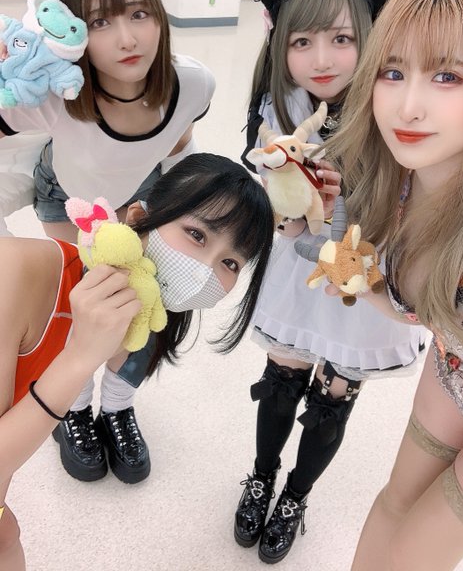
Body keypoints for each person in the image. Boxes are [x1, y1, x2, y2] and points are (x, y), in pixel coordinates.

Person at [0, 0, 216, 484]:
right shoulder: (53, 98)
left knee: (139, 308)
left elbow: (181, 140)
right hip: (65, 199)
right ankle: (72, 408)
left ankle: (118, 405)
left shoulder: (193, 84)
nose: (128, 39)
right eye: (100, 21)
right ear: (72, 28)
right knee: (79, 303)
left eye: (139, 13)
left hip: (138, 198)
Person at [235, 0, 422, 564]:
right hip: (299, 266)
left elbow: (422, 197)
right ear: (280, 43)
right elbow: (271, 198)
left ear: (369, 37)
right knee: (281, 379)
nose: (322, 59)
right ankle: (261, 476)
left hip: (363, 273)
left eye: (341, 39)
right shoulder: (279, 108)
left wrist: (359, 196)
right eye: (303, 41)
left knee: (334, 396)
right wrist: (288, 203)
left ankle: (295, 495)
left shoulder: (396, 104)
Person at [0, 151, 274, 571]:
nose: (204, 270)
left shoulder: (146, 317)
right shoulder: (12, 273)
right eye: (197, 235)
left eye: (230, 262)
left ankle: (112, 413)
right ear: (138, 217)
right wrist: (79, 359)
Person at [328, 0, 463, 570]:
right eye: (393, 71)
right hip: (458, 370)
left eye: (447, 76)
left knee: (411, 556)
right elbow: (425, 312)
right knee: (393, 505)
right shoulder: (404, 185)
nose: (408, 106)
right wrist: (358, 280)